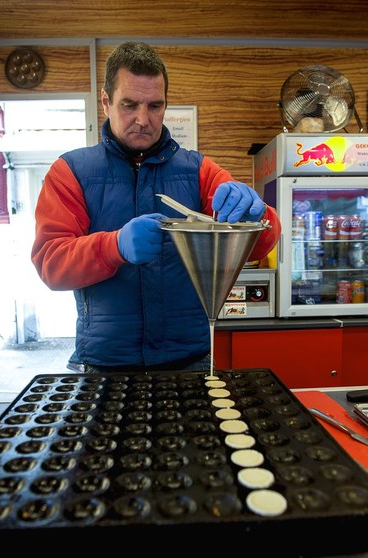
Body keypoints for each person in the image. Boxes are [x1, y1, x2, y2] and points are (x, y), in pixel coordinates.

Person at [31, 41, 281, 374]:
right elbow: (50, 263)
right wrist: (114, 246)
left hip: (189, 359)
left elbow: (259, 245)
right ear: (106, 101)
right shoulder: (71, 173)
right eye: (129, 104)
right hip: (106, 364)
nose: (143, 119)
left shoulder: (200, 171)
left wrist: (258, 214)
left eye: (155, 105)